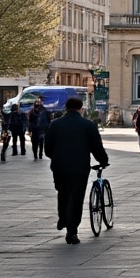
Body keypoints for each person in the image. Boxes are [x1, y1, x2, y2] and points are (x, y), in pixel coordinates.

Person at [45, 96, 109, 244]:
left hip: (59, 167)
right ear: (81, 108)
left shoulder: (55, 124)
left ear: (66, 108)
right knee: (76, 198)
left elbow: (47, 148)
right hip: (79, 167)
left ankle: (63, 217)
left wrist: (56, 157)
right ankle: (72, 231)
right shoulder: (87, 125)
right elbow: (96, 147)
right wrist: (103, 161)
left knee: (62, 193)